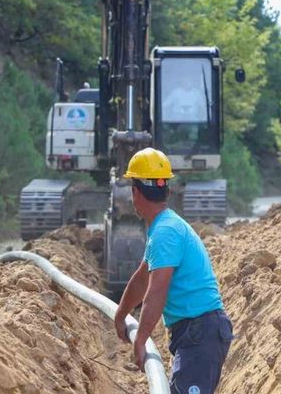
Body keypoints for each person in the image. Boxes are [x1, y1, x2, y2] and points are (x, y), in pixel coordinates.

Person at [114, 147, 233, 394]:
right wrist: (121, 314)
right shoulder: (164, 227)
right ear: (166, 189)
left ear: (135, 192)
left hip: (200, 332)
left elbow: (155, 292)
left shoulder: (165, 232)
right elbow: (142, 279)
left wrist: (141, 338)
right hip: (196, 332)